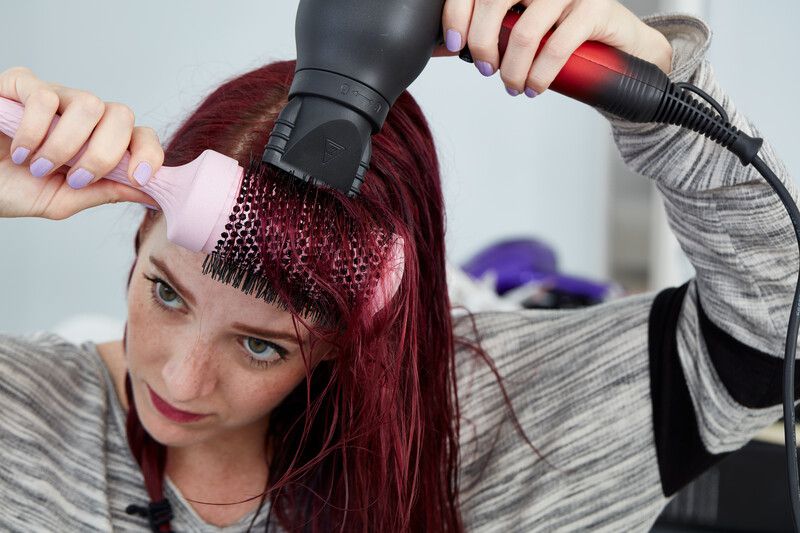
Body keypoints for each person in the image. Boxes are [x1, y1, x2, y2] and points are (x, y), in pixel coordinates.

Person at [0, 0, 795, 531]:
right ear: (143, 233)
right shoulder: (28, 419)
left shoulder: (492, 421)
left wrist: (661, 96)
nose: (177, 380)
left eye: (263, 344)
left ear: (363, 326)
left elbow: (771, 331)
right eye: (166, 292)